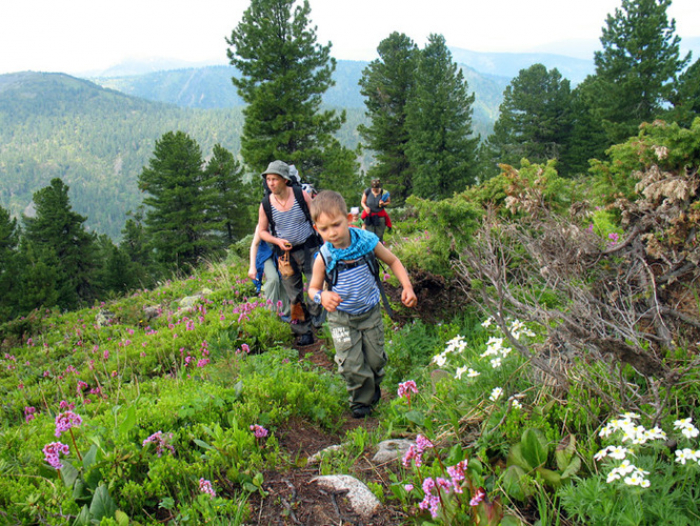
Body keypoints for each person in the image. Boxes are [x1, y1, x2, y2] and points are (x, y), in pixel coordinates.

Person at [308, 190, 417, 418]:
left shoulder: (367, 243)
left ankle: (373, 385)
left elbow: (393, 260)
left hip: (369, 313)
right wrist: (322, 297)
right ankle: (361, 402)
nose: (332, 233)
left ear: (349, 219)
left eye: (336, 225)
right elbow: (312, 289)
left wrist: (407, 287)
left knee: (375, 358)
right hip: (341, 318)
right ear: (317, 229)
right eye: (324, 229)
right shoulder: (324, 257)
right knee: (352, 363)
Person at [258, 160, 322, 346]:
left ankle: (317, 319)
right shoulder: (265, 205)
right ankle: (303, 331)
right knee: (293, 295)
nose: (271, 183)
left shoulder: (300, 195)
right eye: (268, 179)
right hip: (285, 256)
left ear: (285, 180)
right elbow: (262, 231)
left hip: (309, 248)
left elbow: (316, 216)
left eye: (274, 179)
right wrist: (276, 241)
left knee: (315, 287)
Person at [247, 223, 290, 321]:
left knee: (284, 278)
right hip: (264, 255)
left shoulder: (282, 220)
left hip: (279, 253)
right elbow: (255, 244)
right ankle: (271, 313)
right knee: (273, 279)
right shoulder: (262, 225)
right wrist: (252, 266)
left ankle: (286, 313)